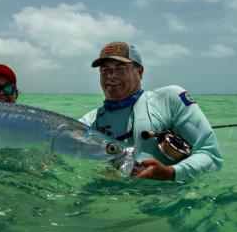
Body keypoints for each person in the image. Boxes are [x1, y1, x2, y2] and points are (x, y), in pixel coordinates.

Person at [79, 41, 223, 181]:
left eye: (120, 68)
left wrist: (171, 173)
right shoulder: (87, 123)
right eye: (105, 70)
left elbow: (211, 155)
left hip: (164, 200)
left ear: (139, 72)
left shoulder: (170, 99)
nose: (111, 76)